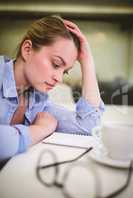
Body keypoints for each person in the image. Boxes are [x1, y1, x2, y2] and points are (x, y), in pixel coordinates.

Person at [0, 15, 104, 163]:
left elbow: (89, 126)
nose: (59, 79)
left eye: (65, 71)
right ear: (27, 49)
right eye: (56, 64)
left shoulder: (38, 102)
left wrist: (87, 61)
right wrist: (39, 130)